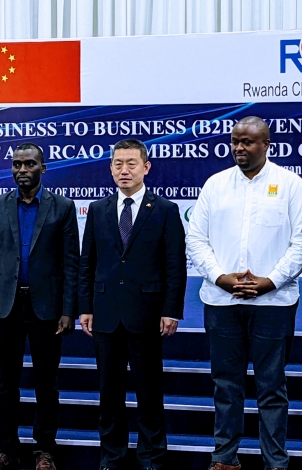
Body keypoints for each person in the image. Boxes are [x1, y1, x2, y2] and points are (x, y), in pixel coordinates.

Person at [185, 117, 302, 470]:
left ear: (266, 143)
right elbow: (196, 239)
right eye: (235, 141)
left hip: (274, 302)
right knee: (226, 385)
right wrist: (220, 277)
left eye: (248, 142)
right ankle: (225, 457)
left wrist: (270, 281)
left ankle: (275, 461)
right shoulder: (215, 185)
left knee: (272, 387)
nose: (239, 148)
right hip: (222, 301)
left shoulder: (290, 185)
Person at [78, 138, 187, 470]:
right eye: (118, 164)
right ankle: (111, 456)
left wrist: (171, 310)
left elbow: (174, 265)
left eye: (131, 163)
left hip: (148, 314)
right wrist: (86, 306)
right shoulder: (98, 209)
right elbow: (87, 263)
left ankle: (151, 455)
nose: (124, 170)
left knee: (149, 392)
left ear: (146, 167)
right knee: (109, 393)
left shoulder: (165, 210)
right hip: (106, 313)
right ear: (110, 168)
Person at [0, 144, 80, 470]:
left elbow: (70, 263)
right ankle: (7, 450)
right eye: (17, 164)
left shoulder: (62, 207)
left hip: (47, 308)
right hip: (5, 305)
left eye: (29, 164)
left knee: (46, 384)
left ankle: (44, 450)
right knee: (6, 385)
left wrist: (68, 310)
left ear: (43, 168)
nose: (22, 170)